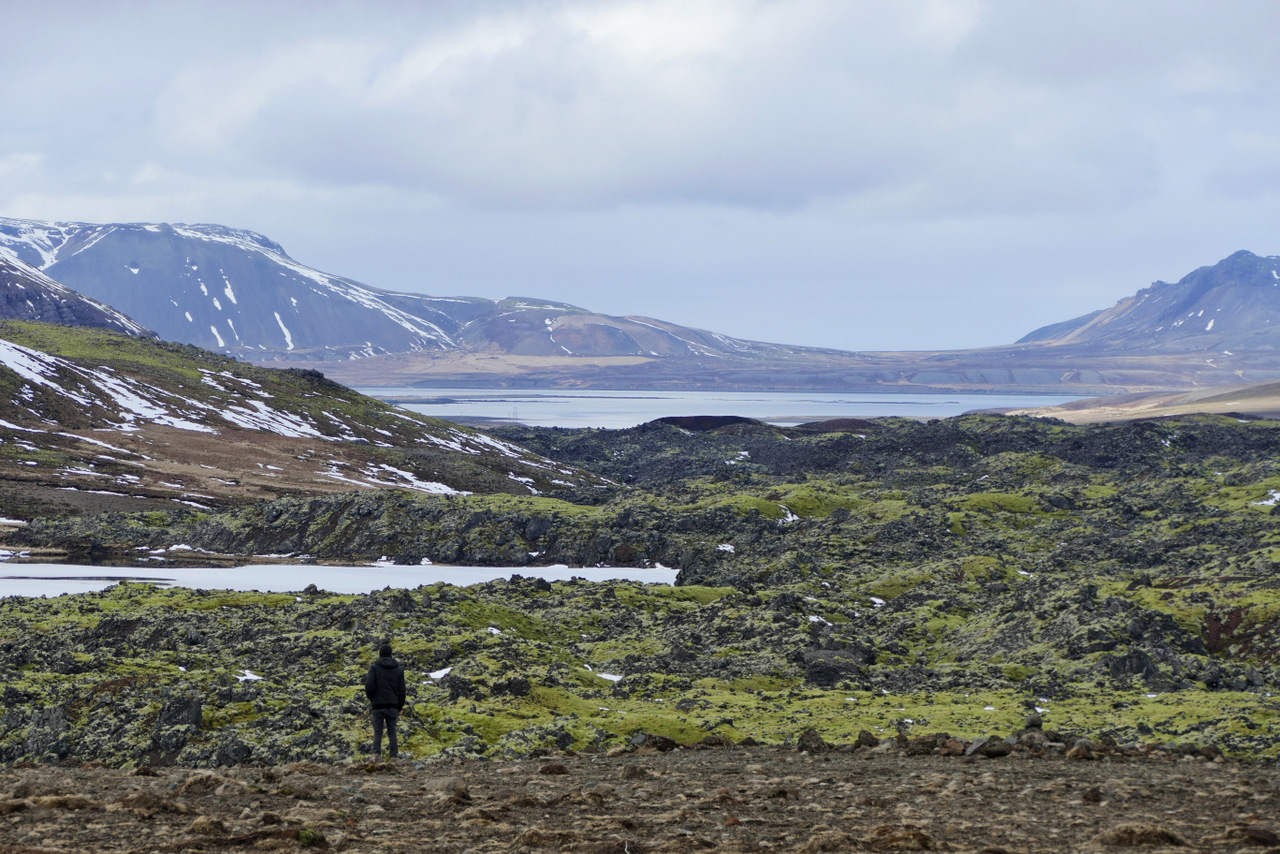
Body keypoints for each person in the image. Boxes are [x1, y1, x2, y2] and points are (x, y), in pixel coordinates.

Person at [364, 642, 406, 760]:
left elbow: (369, 686)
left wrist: (373, 699)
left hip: (377, 706)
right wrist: (399, 707)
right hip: (392, 706)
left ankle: (376, 756)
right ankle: (394, 757)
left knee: (378, 733)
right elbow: (402, 690)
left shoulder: (374, 667)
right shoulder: (398, 669)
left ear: (380, 654)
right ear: (391, 654)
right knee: (392, 732)